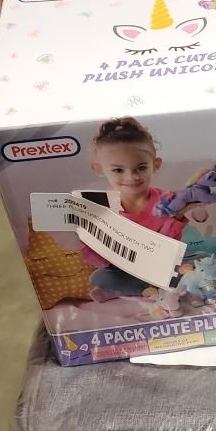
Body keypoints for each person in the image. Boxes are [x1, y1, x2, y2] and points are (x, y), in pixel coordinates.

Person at [83, 117, 192, 301]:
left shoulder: (167, 200)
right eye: (118, 170)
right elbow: (102, 262)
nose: (131, 177)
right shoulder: (100, 207)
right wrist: (87, 239)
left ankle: (134, 289)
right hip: (126, 269)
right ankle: (145, 288)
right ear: (99, 169)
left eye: (141, 168)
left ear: (155, 165)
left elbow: (168, 247)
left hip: (162, 263)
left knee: (200, 258)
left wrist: (178, 216)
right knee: (99, 277)